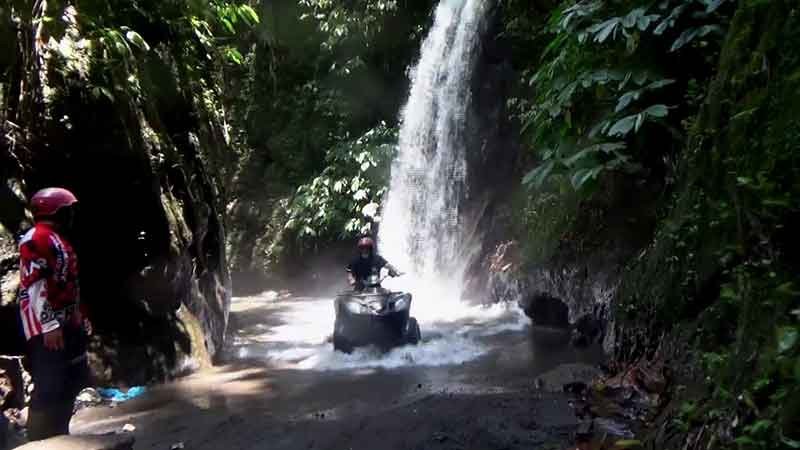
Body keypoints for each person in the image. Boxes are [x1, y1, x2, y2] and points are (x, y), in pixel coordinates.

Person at [18, 187, 90, 441]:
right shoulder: (35, 239)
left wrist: (79, 315)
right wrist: (49, 325)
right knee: (50, 382)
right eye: (66, 210)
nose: (71, 215)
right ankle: (38, 439)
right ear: (54, 211)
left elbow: (70, 282)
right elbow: (35, 284)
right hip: (43, 325)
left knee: (74, 376)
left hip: (66, 320)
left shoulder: (61, 240)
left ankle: (60, 433)